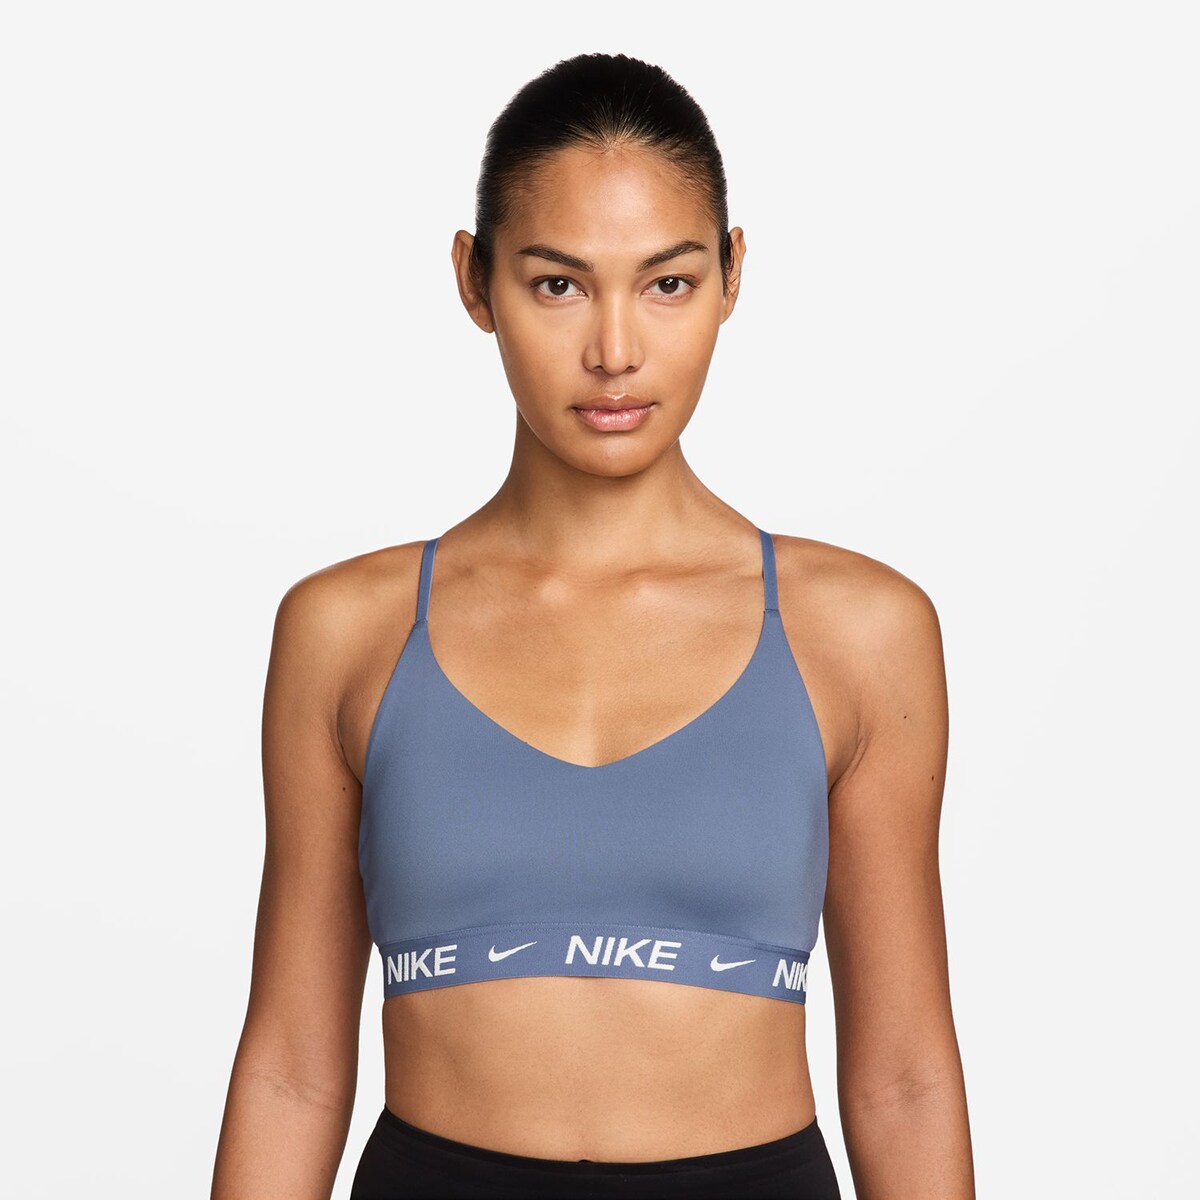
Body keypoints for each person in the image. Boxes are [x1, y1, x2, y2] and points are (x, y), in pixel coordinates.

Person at [211, 51, 974, 1200]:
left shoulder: (860, 634)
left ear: (731, 276)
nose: (615, 350)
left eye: (667, 283)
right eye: (559, 285)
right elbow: (292, 1072)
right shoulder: (348, 632)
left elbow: (904, 1079)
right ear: (475, 282)